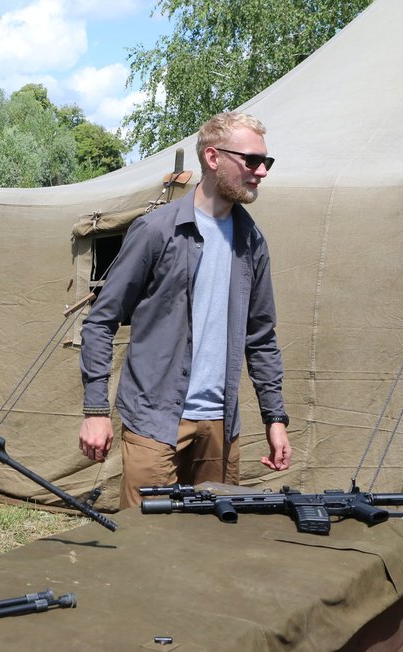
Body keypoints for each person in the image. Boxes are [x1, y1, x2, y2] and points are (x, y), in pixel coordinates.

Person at [78, 111, 292, 510]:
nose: (261, 171)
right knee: (145, 544)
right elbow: (100, 322)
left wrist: (274, 420)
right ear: (213, 158)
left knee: (212, 544)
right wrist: (95, 410)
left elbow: (261, 338)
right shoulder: (156, 231)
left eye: (266, 162)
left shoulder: (251, 241)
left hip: (221, 426)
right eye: (251, 161)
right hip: (154, 419)